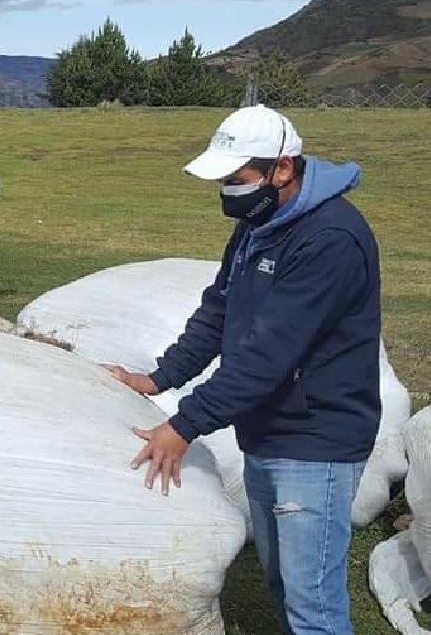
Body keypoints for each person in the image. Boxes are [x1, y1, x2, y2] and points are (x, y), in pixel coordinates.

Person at [105, 104, 381, 634]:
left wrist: (184, 424)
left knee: (313, 606)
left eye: (238, 179)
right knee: (281, 581)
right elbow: (220, 310)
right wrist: (159, 378)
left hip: (316, 438)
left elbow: (267, 354)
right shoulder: (263, 223)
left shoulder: (330, 240)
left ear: (283, 168)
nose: (229, 192)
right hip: (269, 430)